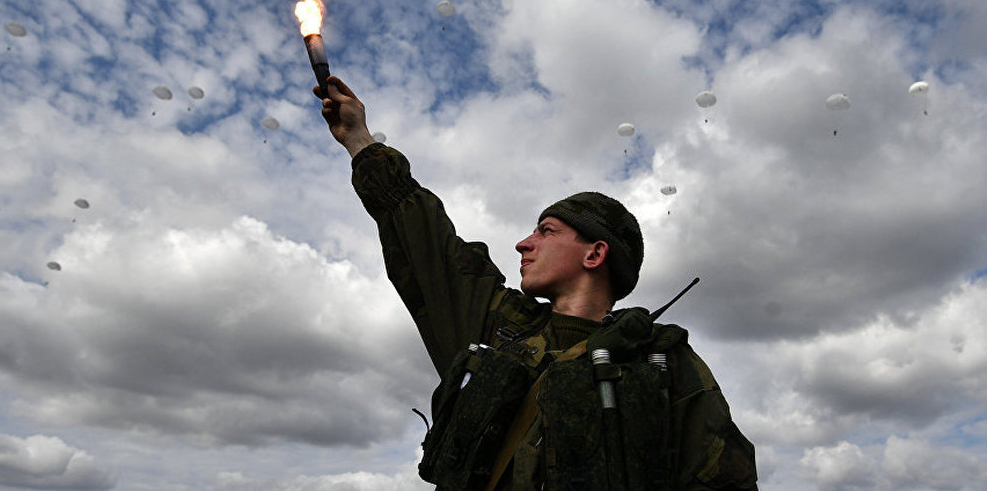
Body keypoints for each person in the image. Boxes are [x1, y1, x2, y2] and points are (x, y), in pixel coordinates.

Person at [316, 76, 758, 490]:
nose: (523, 244)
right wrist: (359, 141)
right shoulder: (498, 326)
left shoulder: (664, 362)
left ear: (595, 253)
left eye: (546, 231)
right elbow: (427, 244)